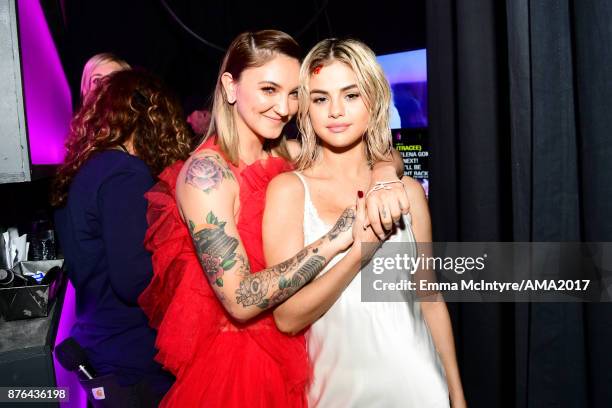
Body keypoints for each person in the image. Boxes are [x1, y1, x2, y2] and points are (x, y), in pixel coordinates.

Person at [138, 30, 408, 407]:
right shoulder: (207, 176)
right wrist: (336, 238)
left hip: (303, 345)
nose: (284, 107)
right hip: (240, 364)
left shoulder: (289, 154)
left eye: (294, 93)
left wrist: (381, 177)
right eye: (269, 90)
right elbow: (239, 300)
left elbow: (380, 152)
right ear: (230, 87)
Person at [263, 38, 466, 407]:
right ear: (306, 109)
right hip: (337, 394)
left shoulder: (407, 193)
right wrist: (359, 252)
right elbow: (287, 317)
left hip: (421, 387)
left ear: (373, 101)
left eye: (351, 95)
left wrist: (457, 394)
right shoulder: (289, 191)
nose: (335, 110)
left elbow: (431, 299)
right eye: (321, 98)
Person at [53, 69, 192, 406]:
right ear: (151, 117)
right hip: (131, 355)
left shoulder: (90, 169)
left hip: (105, 344)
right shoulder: (125, 173)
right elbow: (134, 279)